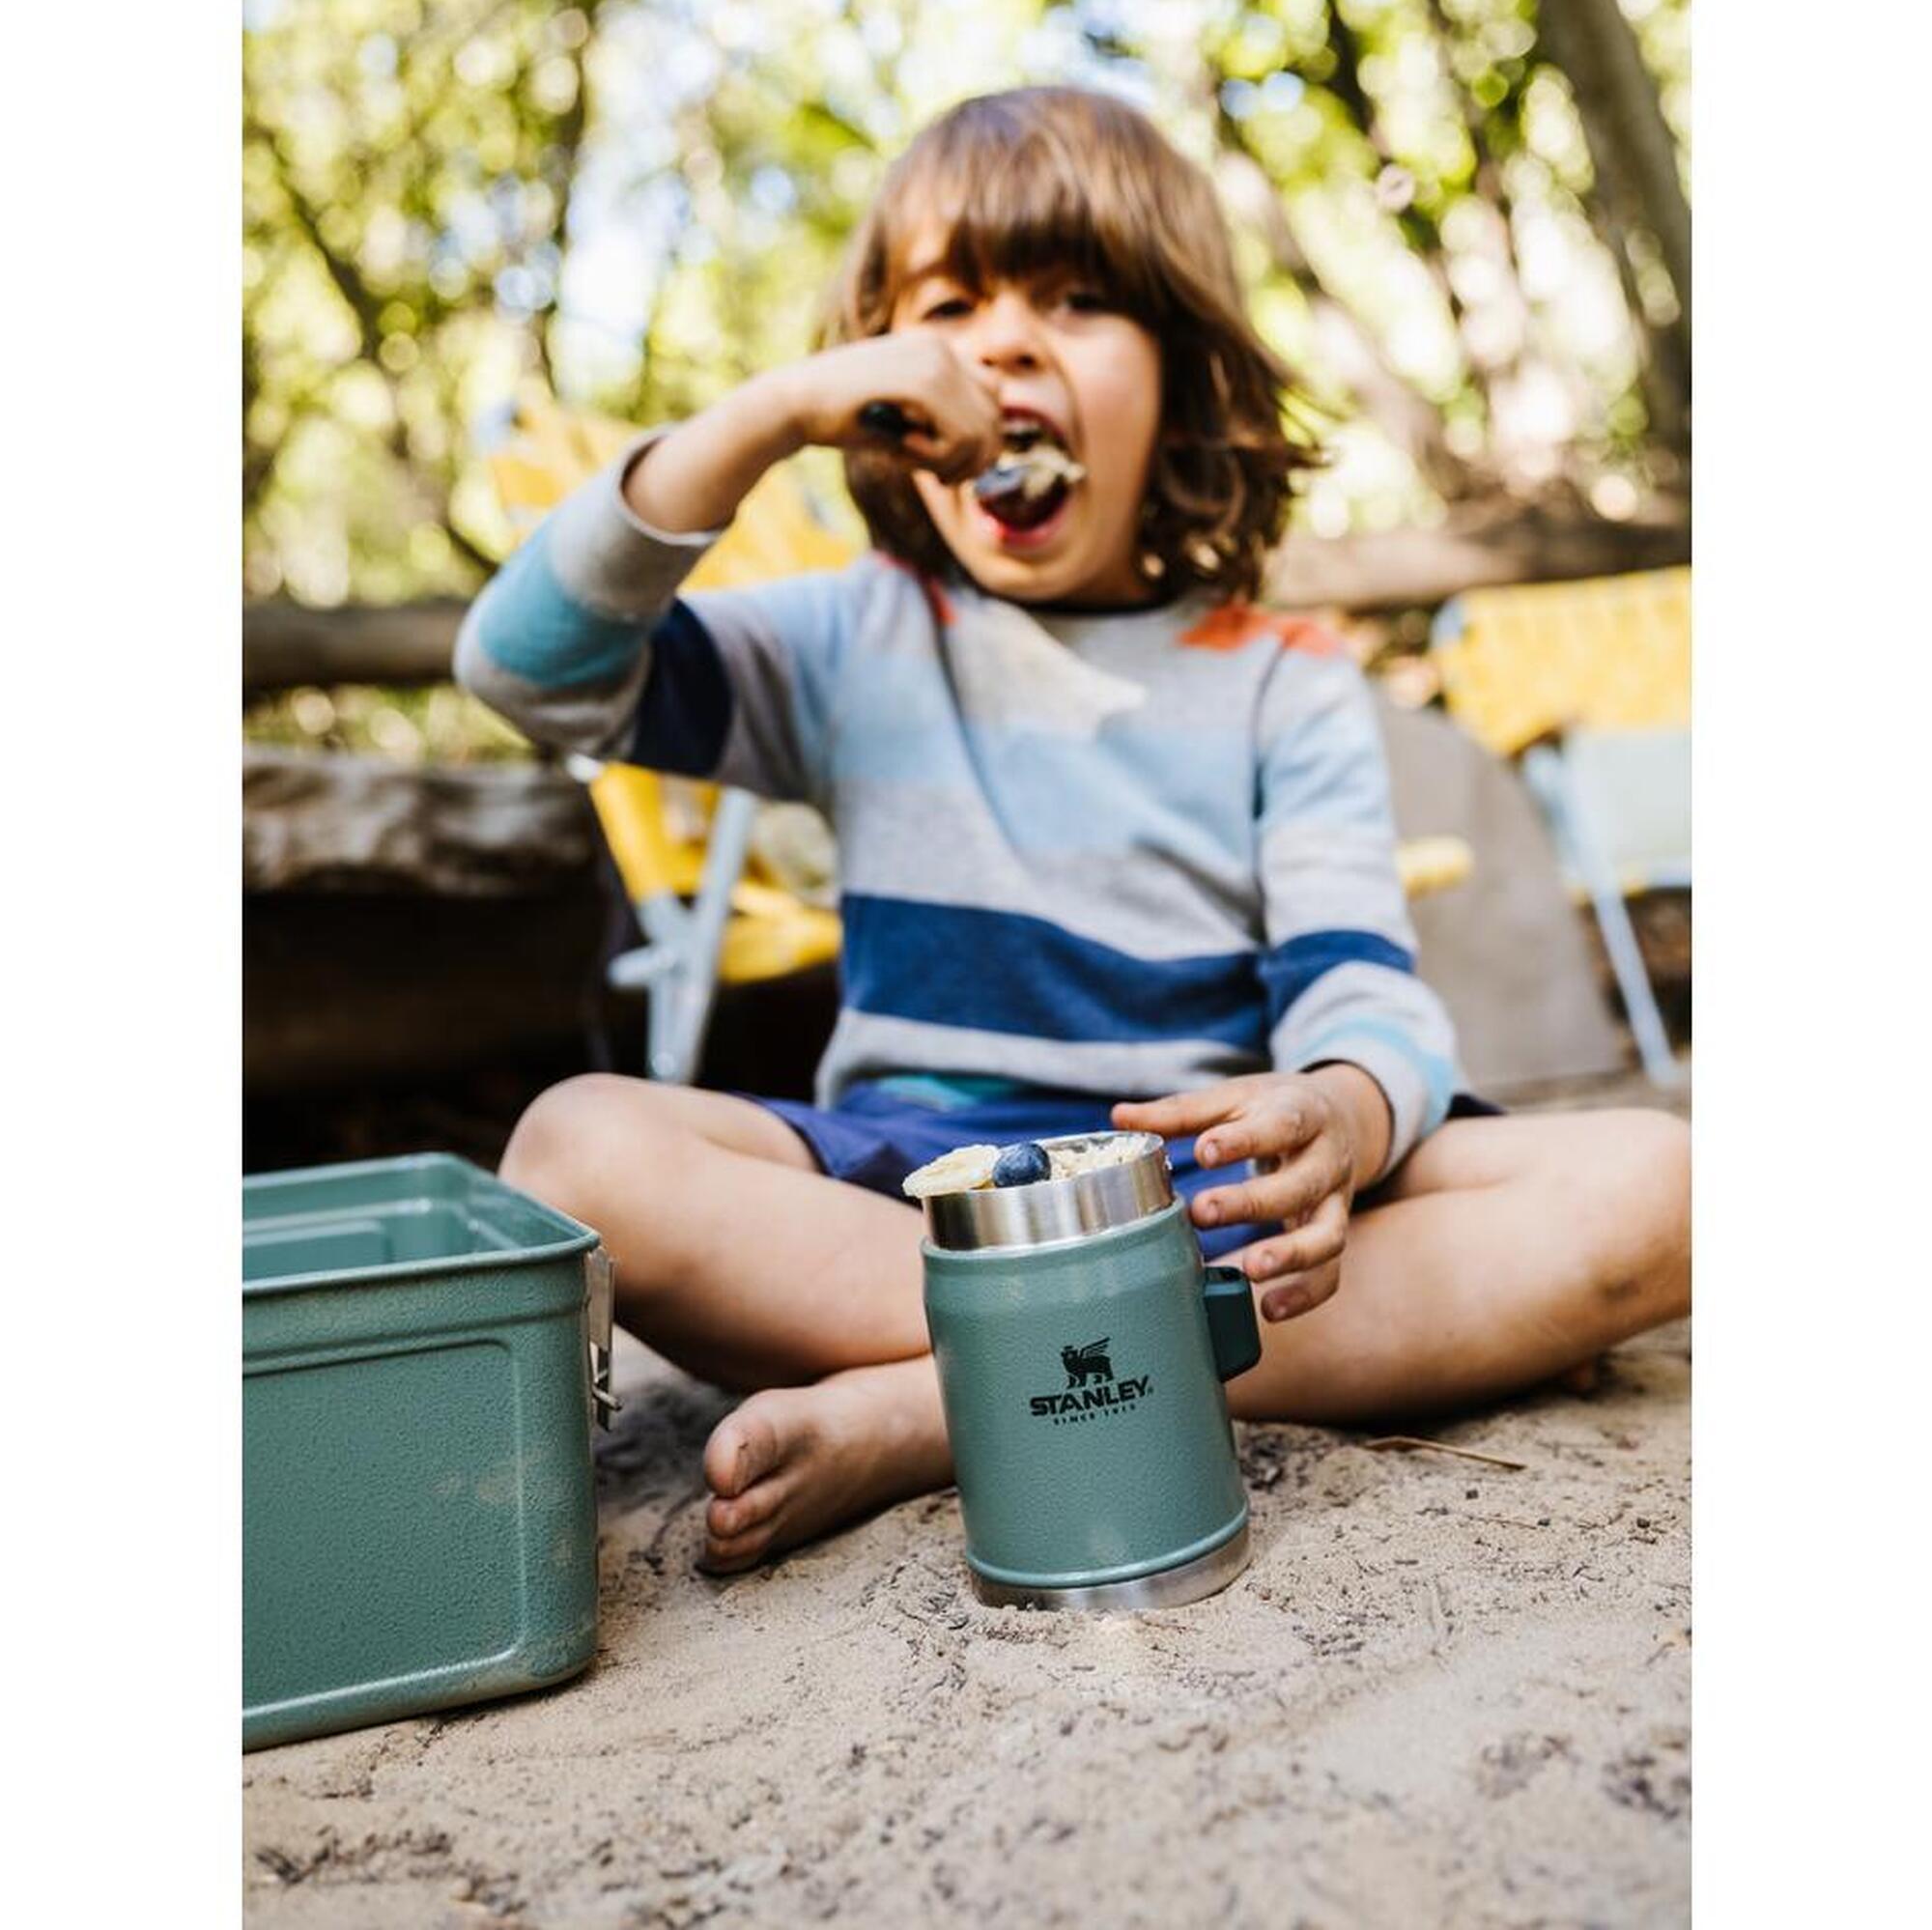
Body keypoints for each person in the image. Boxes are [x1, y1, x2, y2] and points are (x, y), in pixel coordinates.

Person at [455, 86, 1690, 1574]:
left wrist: (1347, 1114)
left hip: (1202, 1199)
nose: (1005, 342)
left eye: (1081, 301)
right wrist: (766, 414)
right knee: (575, 1148)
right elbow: (528, 668)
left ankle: (940, 1406)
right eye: (951, 304)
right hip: (918, 1197)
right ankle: (1091, 1371)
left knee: (1665, 1185)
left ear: (1182, 376)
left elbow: (1361, 981)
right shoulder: (852, 642)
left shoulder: (1285, 684)